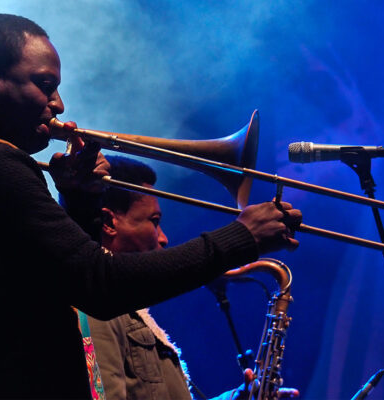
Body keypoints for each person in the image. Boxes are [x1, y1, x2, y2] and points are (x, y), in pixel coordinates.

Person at [0, 13, 302, 398]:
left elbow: (49, 287)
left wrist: (79, 200)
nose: (58, 104)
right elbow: (102, 285)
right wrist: (240, 237)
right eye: (44, 84)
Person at [63, 156, 298, 400]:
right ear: (108, 222)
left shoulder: (127, 310)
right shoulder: (97, 306)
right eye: (154, 222)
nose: (163, 239)